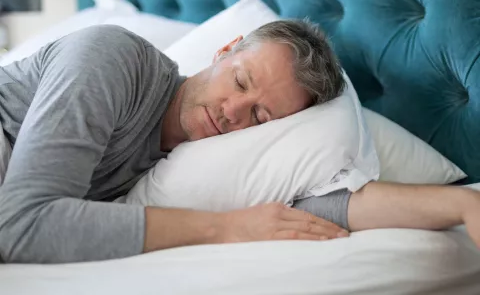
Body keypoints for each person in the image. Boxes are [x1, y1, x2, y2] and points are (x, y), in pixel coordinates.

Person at [0, 20, 478, 264]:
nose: (232, 112)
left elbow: (323, 209)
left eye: (260, 115)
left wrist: (461, 206)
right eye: (241, 81)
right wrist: (225, 228)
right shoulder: (112, 59)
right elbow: (21, 225)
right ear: (226, 49)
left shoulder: (202, 161)